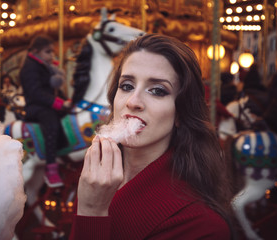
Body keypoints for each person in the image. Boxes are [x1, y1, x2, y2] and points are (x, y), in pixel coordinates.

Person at [69, 34, 235, 239]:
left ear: (180, 113)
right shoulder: (95, 179)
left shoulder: (202, 226)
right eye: (127, 86)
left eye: (157, 90)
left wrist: (93, 212)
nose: (133, 101)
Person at [19, 34, 71, 188]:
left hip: (45, 104)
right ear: (35, 51)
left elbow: (52, 90)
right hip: (35, 107)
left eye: (52, 52)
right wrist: (58, 103)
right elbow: (35, 93)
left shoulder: (44, 67)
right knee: (52, 123)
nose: (51, 56)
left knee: (71, 117)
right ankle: (51, 167)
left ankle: (64, 152)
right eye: (48, 52)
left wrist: (66, 101)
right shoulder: (29, 67)